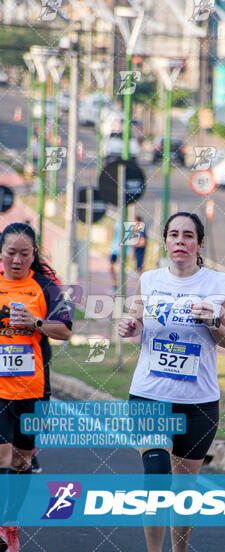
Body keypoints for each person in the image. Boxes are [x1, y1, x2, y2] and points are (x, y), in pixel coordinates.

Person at [118, 211, 225, 552]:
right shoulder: (150, 280)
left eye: (188, 236)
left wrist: (213, 320)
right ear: (166, 241)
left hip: (199, 402)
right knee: (156, 478)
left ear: (199, 243)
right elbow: (135, 322)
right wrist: (128, 327)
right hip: (150, 395)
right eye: (173, 235)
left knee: (184, 491)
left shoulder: (219, 284)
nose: (180, 241)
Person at [0, 223, 72, 552]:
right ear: (1, 253)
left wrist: (36, 323)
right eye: (11, 253)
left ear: (34, 254)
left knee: (21, 460)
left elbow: (65, 330)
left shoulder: (45, 286)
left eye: (24, 253)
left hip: (32, 388)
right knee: (2, 453)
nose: (17, 260)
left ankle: (10, 523)